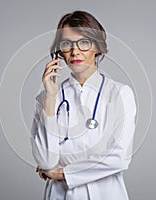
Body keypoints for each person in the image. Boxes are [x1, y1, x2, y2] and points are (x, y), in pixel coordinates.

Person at [30, 10, 137, 200]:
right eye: (66, 44)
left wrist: (63, 173)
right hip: (59, 195)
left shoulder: (120, 94)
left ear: (97, 47)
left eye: (84, 42)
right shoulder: (46, 99)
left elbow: (119, 158)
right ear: (59, 53)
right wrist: (50, 97)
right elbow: (46, 160)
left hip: (105, 194)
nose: (75, 51)